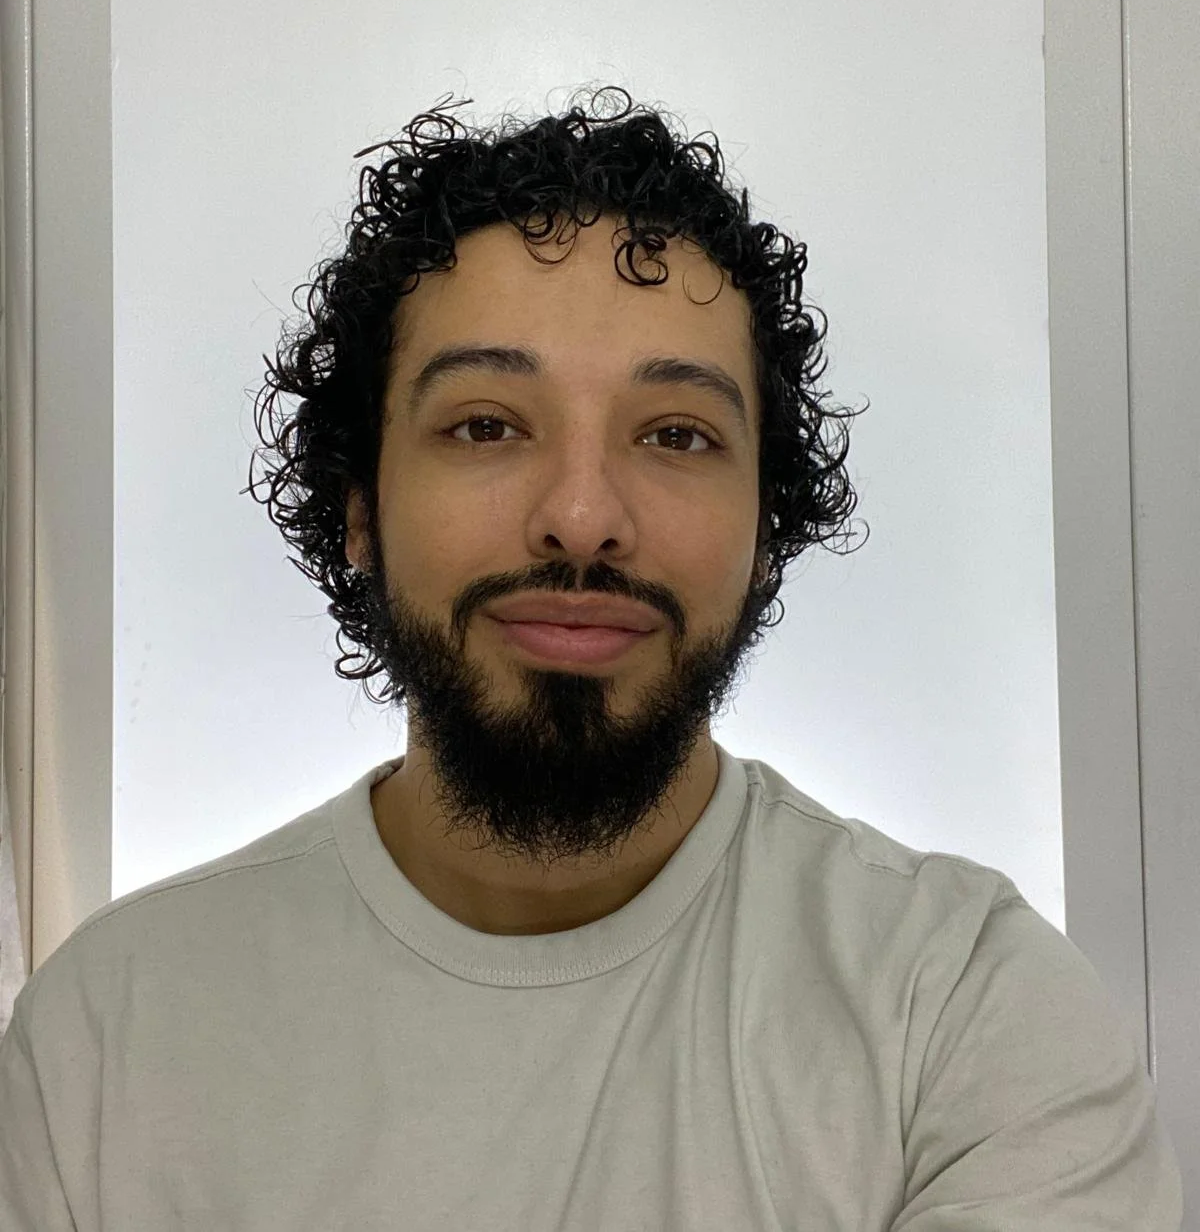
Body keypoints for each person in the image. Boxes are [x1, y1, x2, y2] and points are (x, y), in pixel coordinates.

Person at [0, 86, 1182, 1227]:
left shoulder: (966, 1011)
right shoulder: (111, 1035)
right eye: (486, 426)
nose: (582, 515)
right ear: (359, 505)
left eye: (676, 434)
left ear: (769, 531)